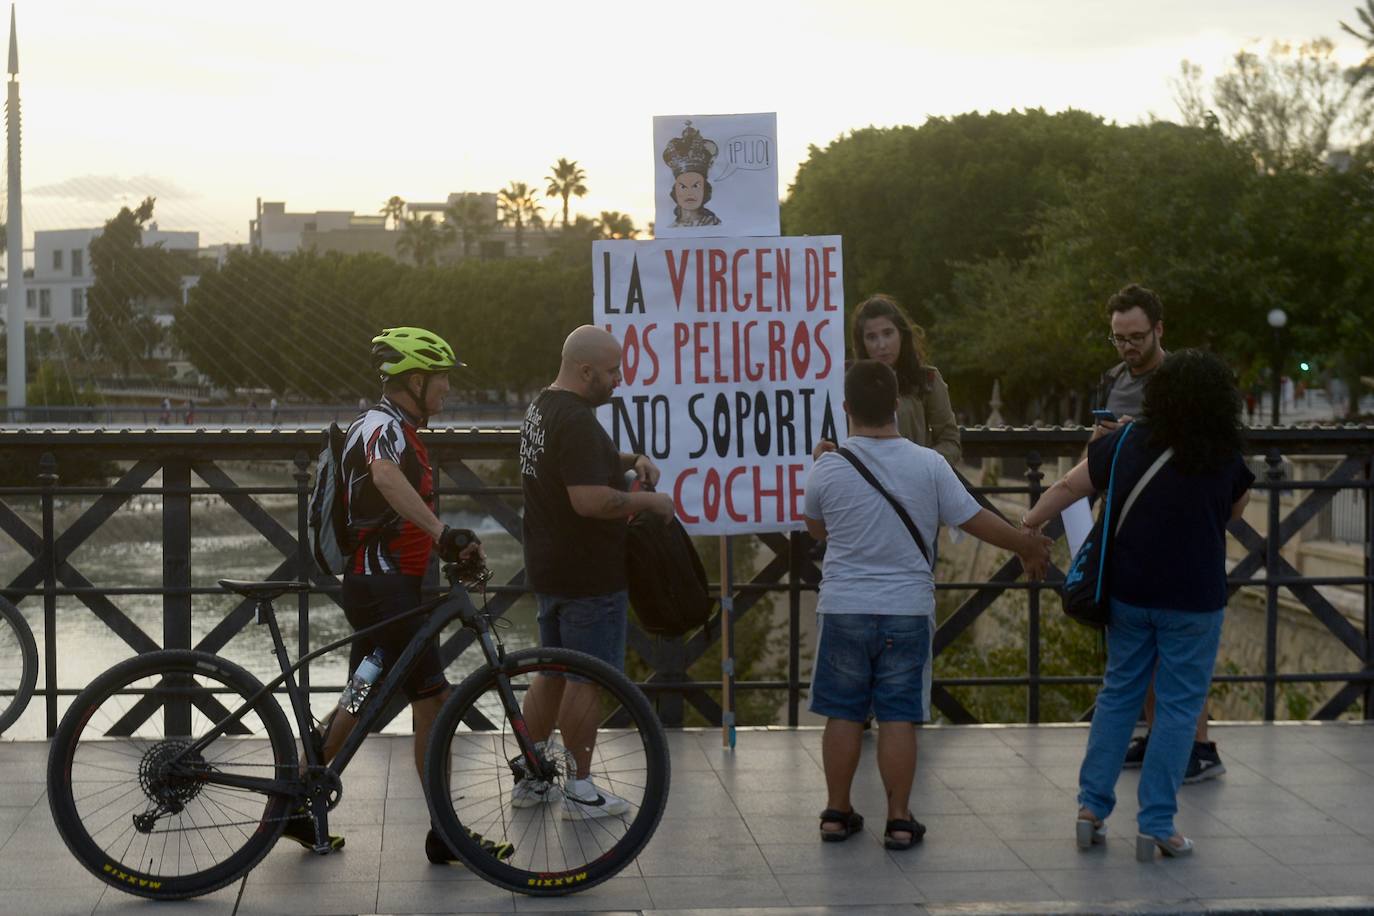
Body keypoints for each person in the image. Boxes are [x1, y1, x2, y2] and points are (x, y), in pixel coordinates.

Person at [804, 360, 1051, 850]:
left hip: (844, 607)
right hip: (907, 609)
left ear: (847, 407)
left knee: (843, 712)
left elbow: (817, 528)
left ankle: (837, 811)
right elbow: (977, 517)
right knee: (898, 715)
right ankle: (898, 819)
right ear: (897, 404)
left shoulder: (828, 467)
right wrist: (1025, 545)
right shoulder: (929, 464)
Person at [1024, 349, 1253, 859]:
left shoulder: (1126, 439)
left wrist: (1029, 525)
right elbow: (1234, 510)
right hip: (1194, 598)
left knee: (1119, 694)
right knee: (1176, 708)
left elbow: (1068, 485)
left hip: (1129, 592)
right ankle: (1156, 825)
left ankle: (1091, 810)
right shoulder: (1223, 452)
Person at [293, 326, 499, 864]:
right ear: (415, 380)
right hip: (387, 588)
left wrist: (449, 544)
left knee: (362, 696)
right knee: (433, 698)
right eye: (442, 379)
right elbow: (385, 479)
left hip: (385, 586)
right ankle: (445, 832)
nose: (448, 390)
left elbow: (398, 501)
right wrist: (442, 534)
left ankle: (297, 792)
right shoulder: (382, 426)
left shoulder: (398, 427)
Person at [517, 325, 675, 819]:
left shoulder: (542, 408)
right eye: (611, 372)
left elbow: (582, 463)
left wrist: (632, 459)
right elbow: (588, 498)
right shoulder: (580, 421)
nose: (619, 380)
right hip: (589, 574)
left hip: (548, 567)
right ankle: (581, 789)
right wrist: (650, 500)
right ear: (585, 371)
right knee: (587, 678)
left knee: (551, 673)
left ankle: (532, 776)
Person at [1092, 284, 1224, 783]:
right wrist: (1106, 438)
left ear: (1159, 330)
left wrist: (1139, 434)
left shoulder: (1186, 380)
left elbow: (1207, 447)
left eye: (1137, 337)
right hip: (1128, 525)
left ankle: (1200, 745)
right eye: (1118, 338)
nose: (1128, 347)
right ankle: (1156, 737)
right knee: (1140, 641)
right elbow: (1094, 453)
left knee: (1181, 644)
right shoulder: (1110, 380)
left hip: (1180, 523)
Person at [850, 294, 961, 465]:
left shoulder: (926, 380)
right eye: (871, 337)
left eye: (888, 333)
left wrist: (922, 466)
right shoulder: (851, 384)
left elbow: (950, 441)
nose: (881, 345)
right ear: (862, 342)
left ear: (901, 334)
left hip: (917, 481)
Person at [662, 121, 722, 228]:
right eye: (683, 187)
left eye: (696, 186)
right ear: (675, 190)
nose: (689, 193)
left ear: (705, 190)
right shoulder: (671, 228)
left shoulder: (714, 224)